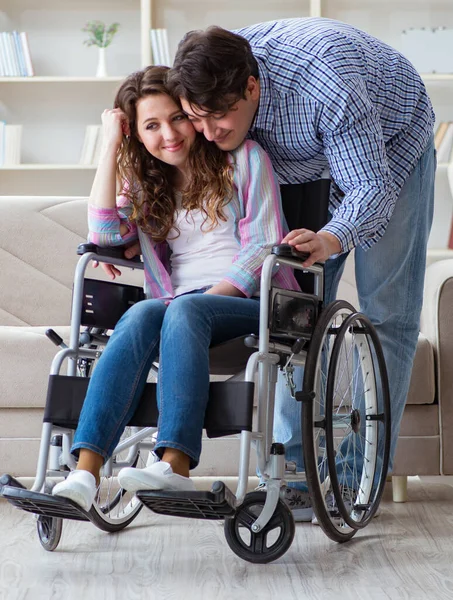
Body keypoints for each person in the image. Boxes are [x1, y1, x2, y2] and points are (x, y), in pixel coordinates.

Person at [166, 18, 436, 521]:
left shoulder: (325, 85)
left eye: (218, 118)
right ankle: (294, 474)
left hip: (390, 142)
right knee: (293, 316)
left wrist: (331, 237)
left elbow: (368, 189)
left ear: (251, 86)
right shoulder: (211, 80)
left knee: (386, 314)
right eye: (196, 119)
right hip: (296, 163)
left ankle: (357, 476)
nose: (207, 133)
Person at [51, 65, 299, 511]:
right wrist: (110, 141)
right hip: (177, 312)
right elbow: (105, 233)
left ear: (192, 113)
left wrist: (198, 302)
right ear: (138, 137)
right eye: (151, 125)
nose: (169, 133)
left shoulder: (245, 159)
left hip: (253, 305)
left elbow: (263, 246)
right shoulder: (149, 185)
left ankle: (176, 464)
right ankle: (85, 473)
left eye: (176, 118)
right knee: (144, 312)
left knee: (180, 310)